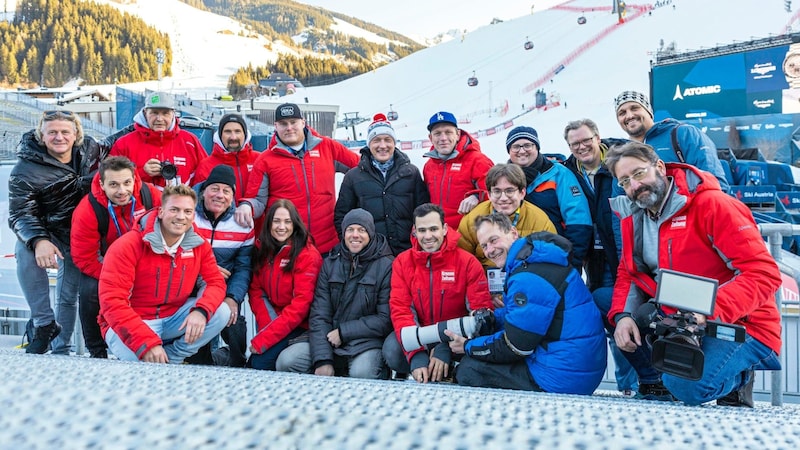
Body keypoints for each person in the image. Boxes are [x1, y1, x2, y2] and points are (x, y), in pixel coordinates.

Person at [605, 141, 782, 406]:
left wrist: (709, 309)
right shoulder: (635, 216)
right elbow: (629, 272)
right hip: (680, 321)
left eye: (639, 173)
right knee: (601, 301)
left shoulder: (713, 205)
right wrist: (623, 316)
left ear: (659, 167)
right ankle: (659, 380)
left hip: (738, 323)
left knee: (686, 386)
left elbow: (763, 273)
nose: (634, 185)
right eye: (625, 181)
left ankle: (738, 378)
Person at [447, 214, 607, 394]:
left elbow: (516, 346)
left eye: (494, 240)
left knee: (470, 369)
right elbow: (525, 317)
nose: (490, 250)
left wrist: (468, 346)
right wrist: (491, 318)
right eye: (484, 246)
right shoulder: (535, 260)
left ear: (513, 233)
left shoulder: (527, 276)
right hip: (575, 369)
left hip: (560, 378)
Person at [8, 110, 115, 355]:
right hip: (46, 230)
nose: (59, 137)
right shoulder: (24, 169)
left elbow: (117, 141)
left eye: (65, 131)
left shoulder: (90, 151)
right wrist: (39, 240)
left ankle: (60, 349)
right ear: (42, 135)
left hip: (79, 234)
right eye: (52, 132)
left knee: (68, 294)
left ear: (75, 134)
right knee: (24, 252)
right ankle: (44, 323)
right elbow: (19, 213)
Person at [98, 184, 231, 363]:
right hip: (135, 320)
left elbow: (215, 282)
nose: (181, 217)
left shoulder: (199, 245)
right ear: (160, 212)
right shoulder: (127, 246)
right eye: (174, 209)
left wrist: (201, 310)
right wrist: (147, 343)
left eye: (187, 211)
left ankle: (173, 358)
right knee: (141, 366)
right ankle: (155, 356)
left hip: (173, 318)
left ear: (193, 215)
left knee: (221, 312)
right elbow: (112, 302)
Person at [562, 119, 637, 395]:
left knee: (627, 314)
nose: (581, 147)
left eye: (586, 140)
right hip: (594, 259)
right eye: (575, 144)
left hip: (622, 253)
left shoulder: (617, 163)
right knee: (610, 318)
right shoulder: (569, 172)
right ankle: (628, 384)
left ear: (597, 137)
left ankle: (640, 381)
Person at [383, 203, 493, 383]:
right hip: (420, 334)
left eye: (433, 229)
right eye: (422, 230)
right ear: (414, 232)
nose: (428, 236)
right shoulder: (402, 262)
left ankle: (449, 368)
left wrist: (446, 347)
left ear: (444, 229)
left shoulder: (467, 262)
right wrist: (415, 355)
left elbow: (480, 312)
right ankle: (423, 369)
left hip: (454, 336)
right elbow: (401, 309)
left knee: (471, 354)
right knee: (392, 351)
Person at [280, 209, 394, 378]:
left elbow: (385, 319)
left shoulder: (386, 266)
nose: (355, 235)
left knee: (361, 373)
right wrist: (323, 359)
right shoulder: (330, 264)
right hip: (329, 340)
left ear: (370, 233)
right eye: (350, 230)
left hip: (366, 342)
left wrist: (344, 332)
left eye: (361, 230)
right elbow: (319, 314)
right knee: (286, 361)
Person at [235, 103, 359, 255]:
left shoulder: (327, 147)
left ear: (303, 122)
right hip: (288, 248)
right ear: (275, 126)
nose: (289, 128)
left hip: (328, 246)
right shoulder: (265, 160)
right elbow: (257, 200)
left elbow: (360, 167)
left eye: (293, 122)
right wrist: (247, 206)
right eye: (283, 124)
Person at [70, 156, 162, 358]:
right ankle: (96, 350)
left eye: (127, 183)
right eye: (114, 185)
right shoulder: (88, 210)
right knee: (89, 290)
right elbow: (84, 258)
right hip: (107, 265)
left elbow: (174, 226)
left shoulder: (150, 195)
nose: (122, 191)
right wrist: (118, 277)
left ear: (135, 179)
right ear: (102, 184)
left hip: (147, 260)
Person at [334, 114, 430, 255]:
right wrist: (354, 247)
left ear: (394, 143)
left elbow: (424, 211)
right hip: (371, 256)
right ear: (369, 144)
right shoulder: (353, 177)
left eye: (387, 140)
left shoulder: (410, 173)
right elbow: (341, 217)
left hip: (408, 252)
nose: (382, 145)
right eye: (376, 140)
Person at [189, 165, 255, 367]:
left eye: (226, 191)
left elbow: (244, 267)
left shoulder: (242, 224)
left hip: (223, 289)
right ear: (204, 191)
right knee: (197, 354)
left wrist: (233, 297)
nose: (220, 195)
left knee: (233, 320)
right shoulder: (188, 215)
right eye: (214, 189)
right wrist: (205, 268)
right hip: (189, 287)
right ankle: (201, 361)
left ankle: (236, 362)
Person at [248, 199, 323, 371]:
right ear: (269, 223)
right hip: (276, 322)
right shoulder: (263, 250)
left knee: (261, 364)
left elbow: (301, 306)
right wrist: (269, 327)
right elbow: (256, 291)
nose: (281, 227)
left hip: (301, 326)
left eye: (287, 221)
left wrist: (266, 338)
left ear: (295, 224)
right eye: (276, 221)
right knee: (255, 363)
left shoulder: (307, 255)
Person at [505, 126, 593, 270]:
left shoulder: (558, 174)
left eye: (528, 145)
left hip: (556, 256)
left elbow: (578, 219)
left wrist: (571, 260)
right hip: (517, 259)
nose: (522, 150)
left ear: (537, 147)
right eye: (516, 146)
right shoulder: (504, 177)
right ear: (509, 151)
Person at [613, 90, 729, 191]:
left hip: (691, 214)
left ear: (649, 111)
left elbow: (715, 182)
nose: (629, 116)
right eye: (622, 113)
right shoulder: (622, 154)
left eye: (635, 108)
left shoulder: (683, 134)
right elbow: (621, 204)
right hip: (649, 217)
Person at [457, 164, 556, 269]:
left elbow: (552, 260)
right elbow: (461, 260)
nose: (503, 198)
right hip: (484, 279)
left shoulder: (539, 220)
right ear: (489, 194)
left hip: (526, 277)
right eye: (497, 191)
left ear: (522, 193)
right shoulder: (472, 219)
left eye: (509, 191)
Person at [110, 91, 207, 188]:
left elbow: (206, 176)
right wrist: (142, 173)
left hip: (181, 202)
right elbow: (109, 181)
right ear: (145, 113)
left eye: (165, 113)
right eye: (154, 113)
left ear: (173, 114)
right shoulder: (124, 144)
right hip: (142, 202)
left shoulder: (189, 141)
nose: (159, 119)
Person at [422, 111, 494, 230]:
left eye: (448, 132)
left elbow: (497, 194)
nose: (443, 138)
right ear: (430, 138)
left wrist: (477, 196)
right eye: (437, 133)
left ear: (457, 134)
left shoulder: (478, 160)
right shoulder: (429, 166)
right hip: (440, 234)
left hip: (469, 233)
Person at [192, 113, 261, 202]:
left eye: (237, 131)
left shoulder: (259, 160)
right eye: (228, 132)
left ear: (245, 134)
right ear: (220, 135)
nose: (233, 137)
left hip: (255, 215)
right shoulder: (206, 165)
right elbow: (199, 202)